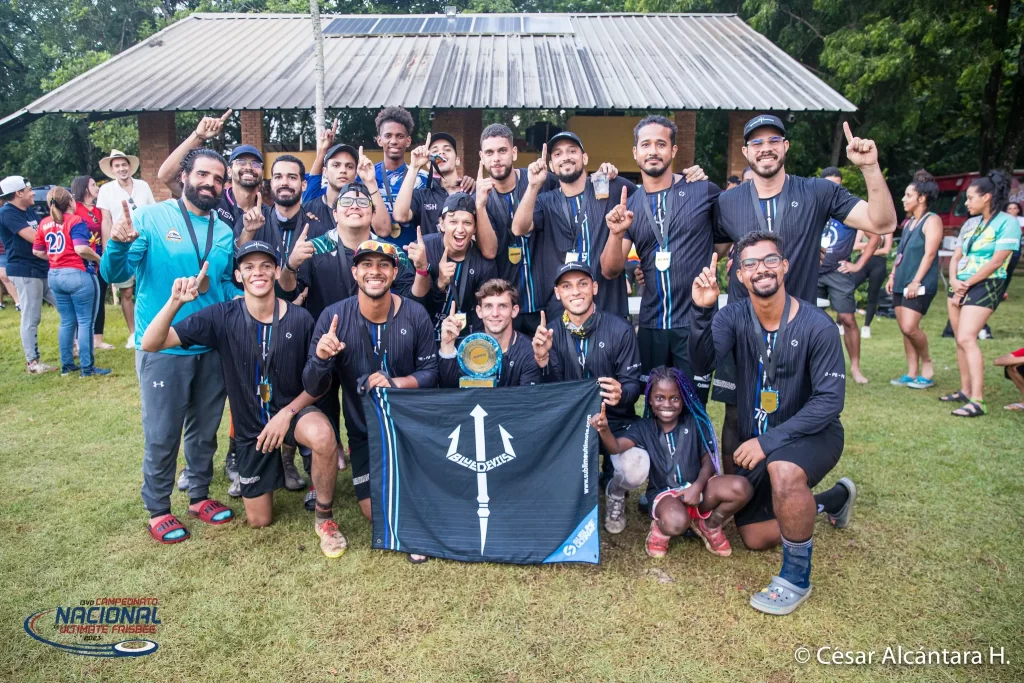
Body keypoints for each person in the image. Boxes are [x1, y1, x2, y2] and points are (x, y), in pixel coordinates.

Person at [712, 115, 896, 473]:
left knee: (794, 411)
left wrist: (870, 168)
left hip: (799, 330)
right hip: (743, 329)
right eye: (757, 143)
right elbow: (711, 250)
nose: (765, 148)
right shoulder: (727, 202)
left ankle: (785, 488)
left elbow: (883, 223)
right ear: (747, 152)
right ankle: (736, 496)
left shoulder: (817, 191)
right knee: (735, 412)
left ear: (785, 147)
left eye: (773, 140)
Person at [689, 232, 857, 615]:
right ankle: (833, 499)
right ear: (740, 275)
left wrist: (768, 443)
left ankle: (795, 578)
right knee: (754, 537)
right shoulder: (732, 315)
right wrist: (702, 312)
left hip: (811, 434)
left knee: (783, 470)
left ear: (785, 266)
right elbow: (702, 365)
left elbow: (830, 403)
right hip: (759, 440)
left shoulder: (818, 326)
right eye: (750, 263)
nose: (760, 269)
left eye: (769, 260)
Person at [140, 241, 340, 551]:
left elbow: (318, 385)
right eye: (249, 267)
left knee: (323, 434)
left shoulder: (300, 320)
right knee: (260, 520)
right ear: (238, 275)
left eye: (265, 266)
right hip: (252, 430)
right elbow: (152, 343)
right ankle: (269, 470)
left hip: (290, 416)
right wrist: (175, 303)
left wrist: (288, 412)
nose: (257, 272)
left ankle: (324, 517)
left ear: (276, 272)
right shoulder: (220, 316)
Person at [101, 148, 239, 543]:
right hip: (163, 346)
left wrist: (241, 298)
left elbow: (225, 280)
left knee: (204, 430)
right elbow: (115, 273)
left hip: (210, 346)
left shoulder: (224, 230)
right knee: (163, 432)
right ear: (184, 176)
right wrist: (117, 243)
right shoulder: (150, 218)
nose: (209, 183)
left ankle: (198, 496)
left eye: (217, 178)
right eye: (203, 175)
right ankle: (158, 508)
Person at [303, 240, 438, 562]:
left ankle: (416, 521)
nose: (374, 272)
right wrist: (321, 358)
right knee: (373, 512)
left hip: (411, 430)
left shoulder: (415, 313)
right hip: (365, 433)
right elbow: (312, 383)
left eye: (383, 265)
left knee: (429, 494)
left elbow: (431, 372)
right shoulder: (333, 317)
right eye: (366, 265)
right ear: (355, 271)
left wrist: (396, 382)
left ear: (394, 272)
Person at [600, 115, 720, 401]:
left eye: (661, 144)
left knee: (694, 407)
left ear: (674, 151)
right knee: (654, 406)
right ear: (635, 153)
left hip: (694, 322)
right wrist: (616, 234)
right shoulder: (631, 203)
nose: (653, 150)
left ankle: (698, 448)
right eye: (646, 144)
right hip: (652, 322)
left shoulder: (702, 190)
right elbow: (610, 269)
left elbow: (724, 245)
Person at [590, 367, 753, 557]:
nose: (667, 404)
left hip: (699, 490)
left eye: (674, 398)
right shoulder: (644, 427)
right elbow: (616, 448)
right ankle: (660, 530)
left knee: (742, 487)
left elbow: (708, 460)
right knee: (676, 522)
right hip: (665, 495)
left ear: (683, 399)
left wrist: (698, 487)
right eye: (660, 398)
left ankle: (709, 525)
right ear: (649, 399)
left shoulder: (695, 422)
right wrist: (604, 429)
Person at [532, 262, 642, 533]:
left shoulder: (620, 329)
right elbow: (548, 394)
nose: (576, 292)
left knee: (635, 467)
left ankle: (615, 491)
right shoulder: (549, 334)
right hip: (570, 424)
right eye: (566, 286)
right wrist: (542, 360)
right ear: (557, 293)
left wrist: (622, 393)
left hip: (614, 422)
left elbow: (633, 386)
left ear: (594, 287)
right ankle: (570, 499)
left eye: (582, 283)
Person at [512, 133, 636, 319]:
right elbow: (519, 229)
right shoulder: (545, 201)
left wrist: (639, 264)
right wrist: (533, 185)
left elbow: (648, 201)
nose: (566, 157)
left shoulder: (611, 187)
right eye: (558, 154)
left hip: (608, 306)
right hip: (563, 312)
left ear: (584, 158)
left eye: (572, 151)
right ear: (552, 165)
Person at [943, 171, 1021, 417]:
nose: (966, 203)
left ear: (986, 197)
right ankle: (965, 391)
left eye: (970, 198)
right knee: (959, 339)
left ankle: (978, 401)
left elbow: (998, 260)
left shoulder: (1007, 223)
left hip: (986, 284)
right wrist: (955, 280)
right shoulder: (971, 223)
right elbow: (957, 255)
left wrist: (967, 284)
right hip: (960, 283)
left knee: (967, 337)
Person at [477, 123, 560, 335]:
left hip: (547, 300)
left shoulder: (543, 181)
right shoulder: (479, 198)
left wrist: (606, 173)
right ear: (482, 157)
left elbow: (576, 185)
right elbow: (488, 251)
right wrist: (479, 206)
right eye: (490, 152)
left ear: (514, 152)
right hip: (507, 307)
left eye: (502, 151)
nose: (496, 158)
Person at [32, 187, 110, 377]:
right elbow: (81, 248)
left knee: (67, 321)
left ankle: (67, 365)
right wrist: (100, 259)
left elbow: (37, 251)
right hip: (78, 273)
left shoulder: (44, 222)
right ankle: (87, 367)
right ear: (70, 202)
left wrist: (56, 256)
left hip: (55, 274)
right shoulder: (75, 221)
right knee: (85, 322)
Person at [816, 167, 879, 385]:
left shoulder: (847, 209)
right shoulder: (812, 206)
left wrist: (858, 264)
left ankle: (855, 367)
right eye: (831, 184)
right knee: (808, 320)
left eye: (838, 184)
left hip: (837, 272)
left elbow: (875, 236)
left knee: (848, 319)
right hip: (812, 272)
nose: (835, 188)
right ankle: (814, 368)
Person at [407, 192, 498, 337]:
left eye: (467, 223)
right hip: (424, 334)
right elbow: (410, 307)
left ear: (475, 228)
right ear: (442, 224)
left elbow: (485, 312)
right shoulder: (423, 250)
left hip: (465, 336)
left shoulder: (483, 262)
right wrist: (439, 284)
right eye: (453, 222)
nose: (460, 229)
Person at [96, 149, 157, 349]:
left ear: (130, 167)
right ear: (112, 170)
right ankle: (133, 333)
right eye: (117, 166)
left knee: (147, 284)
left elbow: (153, 213)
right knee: (127, 290)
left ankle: (151, 327)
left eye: (124, 165)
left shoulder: (143, 186)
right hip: (122, 244)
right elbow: (106, 221)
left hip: (145, 242)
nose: (121, 169)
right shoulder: (106, 190)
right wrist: (108, 249)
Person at [888, 170, 943, 389]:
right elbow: (900, 253)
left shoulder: (932, 221)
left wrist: (916, 281)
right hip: (901, 281)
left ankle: (927, 364)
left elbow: (930, 254)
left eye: (908, 195)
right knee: (904, 328)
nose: (903, 199)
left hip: (918, 284)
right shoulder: (909, 222)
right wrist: (892, 275)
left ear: (922, 198)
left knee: (911, 327)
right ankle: (911, 372)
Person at [0, 175, 57, 373]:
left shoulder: (29, 210)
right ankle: (33, 363)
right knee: (31, 317)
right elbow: (36, 238)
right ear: (18, 193)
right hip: (25, 270)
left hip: (42, 268)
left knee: (66, 305)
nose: (33, 193)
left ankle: (74, 346)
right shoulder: (8, 213)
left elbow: (45, 231)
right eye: (29, 189)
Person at [437, 279, 541, 388]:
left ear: (514, 311)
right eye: (488, 306)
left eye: (502, 306)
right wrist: (447, 345)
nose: (495, 314)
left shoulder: (529, 350)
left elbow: (528, 399)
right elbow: (450, 393)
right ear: (479, 311)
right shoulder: (469, 346)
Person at [71, 176, 114, 351]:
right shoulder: (74, 208)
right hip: (80, 260)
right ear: (84, 188)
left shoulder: (99, 209)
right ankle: (75, 341)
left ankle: (97, 339)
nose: (97, 187)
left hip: (99, 259)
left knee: (99, 299)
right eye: (93, 184)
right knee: (80, 302)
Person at [393, 132, 466, 236]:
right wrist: (414, 167)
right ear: (428, 163)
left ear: (457, 160)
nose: (441, 153)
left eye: (447, 149)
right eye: (435, 151)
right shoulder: (422, 195)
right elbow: (400, 216)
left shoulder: (470, 190)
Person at [850, 228, 892, 338]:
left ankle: (866, 326)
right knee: (848, 288)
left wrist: (867, 249)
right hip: (862, 261)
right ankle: (841, 322)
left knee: (873, 295)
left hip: (878, 263)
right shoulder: (863, 225)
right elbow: (855, 246)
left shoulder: (887, 228)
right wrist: (873, 246)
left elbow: (886, 250)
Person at [1003, 201, 1023, 298]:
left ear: (1018, 210)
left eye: (1015, 208)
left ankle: (1003, 291)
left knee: (1009, 270)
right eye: (1010, 208)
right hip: (1002, 247)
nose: (1012, 211)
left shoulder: (1022, 221)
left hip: (1016, 249)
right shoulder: (1002, 220)